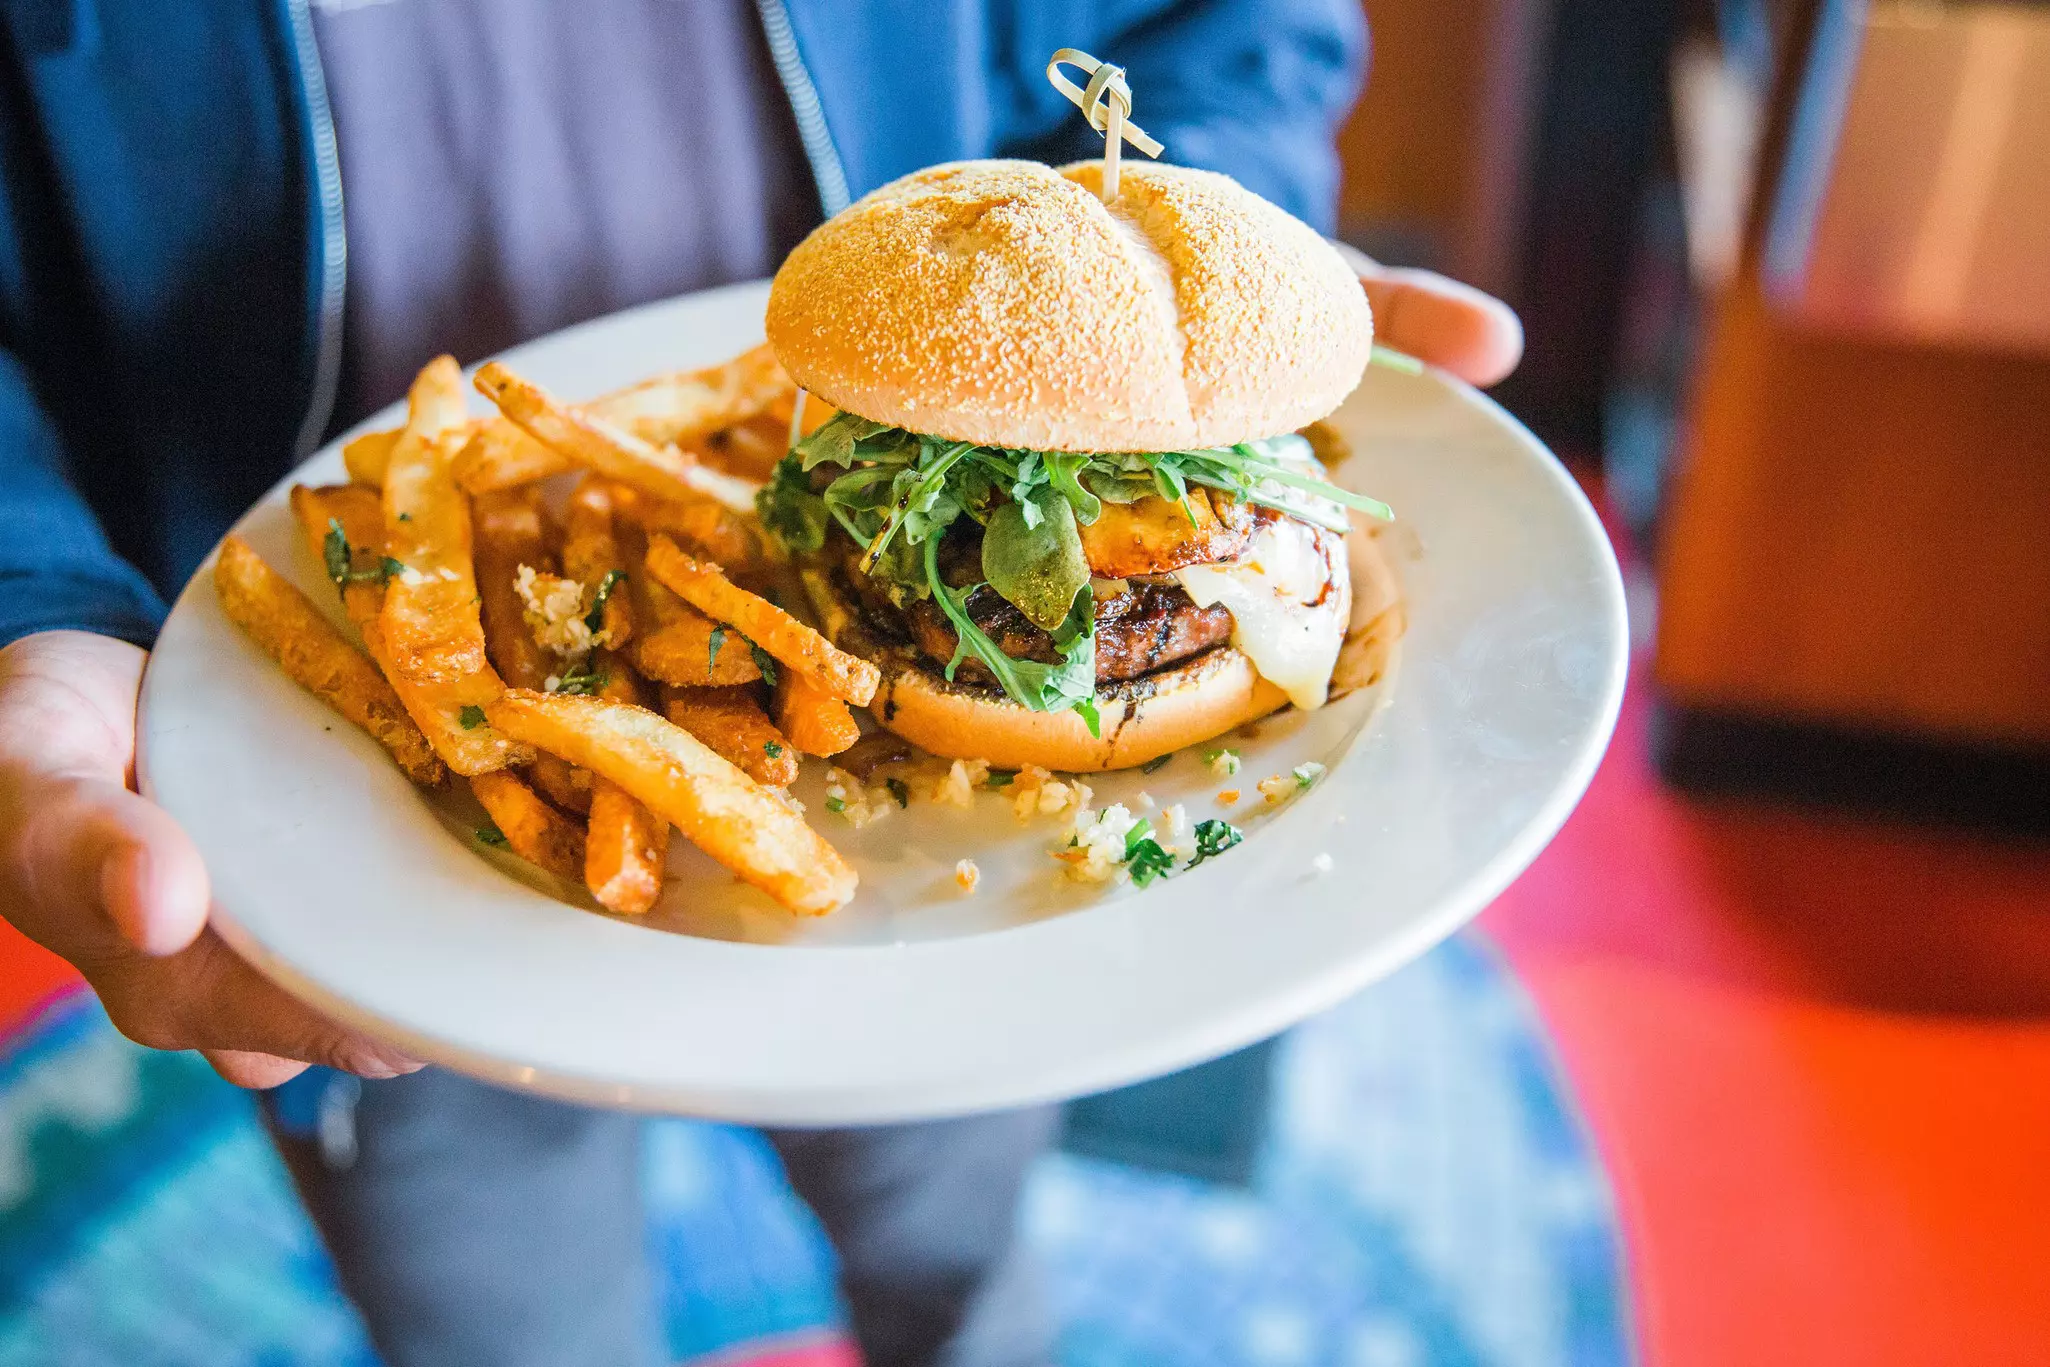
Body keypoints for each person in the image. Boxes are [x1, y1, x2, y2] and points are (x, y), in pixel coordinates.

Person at [0, 3, 1521, 1364]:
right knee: (498, 1318)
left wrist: (1196, 221)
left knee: (958, 1247)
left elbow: (1218, 21)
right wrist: (32, 587)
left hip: (938, 891)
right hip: (333, 800)